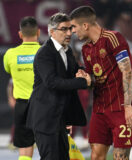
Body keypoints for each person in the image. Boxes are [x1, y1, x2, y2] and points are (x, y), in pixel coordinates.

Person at [70, 6, 132, 160]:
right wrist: (86, 80)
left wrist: (128, 106)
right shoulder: (86, 49)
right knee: (95, 156)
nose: (72, 31)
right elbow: (94, 79)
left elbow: (127, 71)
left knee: (120, 157)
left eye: (74, 27)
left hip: (121, 108)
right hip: (100, 109)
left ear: (85, 25)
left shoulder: (113, 38)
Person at [26, 12, 91, 160]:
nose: (69, 33)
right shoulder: (44, 53)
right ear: (52, 32)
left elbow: (75, 71)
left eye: (70, 28)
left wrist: (85, 74)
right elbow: (52, 82)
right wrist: (83, 82)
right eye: (64, 29)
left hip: (59, 119)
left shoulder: (67, 51)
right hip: (45, 119)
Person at [3, 16, 41, 160]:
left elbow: (8, 71)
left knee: (25, 148)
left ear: (20, 34)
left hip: (22, 106)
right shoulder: (46, 52)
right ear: (38, 32)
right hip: (43, 104)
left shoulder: (10, 54)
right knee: (48, 145)